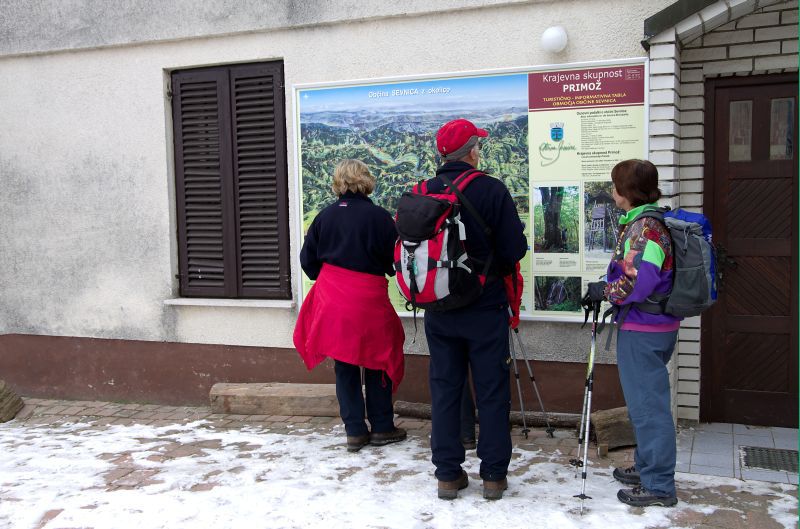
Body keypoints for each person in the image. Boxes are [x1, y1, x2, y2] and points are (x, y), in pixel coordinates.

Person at [422, 119, 527, 500]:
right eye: (477, 145)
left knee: (445, 390)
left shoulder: (424, 191)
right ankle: (494, 476)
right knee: (492, 391)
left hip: (438, 308)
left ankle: (448, 475)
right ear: (471, 151)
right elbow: (515, 250)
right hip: (485, 308)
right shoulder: (491, 189)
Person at [585, 159, 680, 508]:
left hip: (644, 329)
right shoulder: (649, 221)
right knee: (646, 403)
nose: (612, 192)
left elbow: (640, 281)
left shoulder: (645, 229)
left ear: (625, 191)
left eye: (615, 185)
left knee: (648, 408)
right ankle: (646, 468)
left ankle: (658, 485)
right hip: (654, 326)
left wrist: (604, 292)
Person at [294, 159, 407, 453]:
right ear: (366, 181)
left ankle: (355, 430)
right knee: (378, 358)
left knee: (344, 363)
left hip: (333, 298)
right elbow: (394, 263)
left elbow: (308, 261)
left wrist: (334, 279)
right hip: (369, 297)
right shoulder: (381, 218)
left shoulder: (324, 217)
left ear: (338, 183)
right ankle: (382, 426)